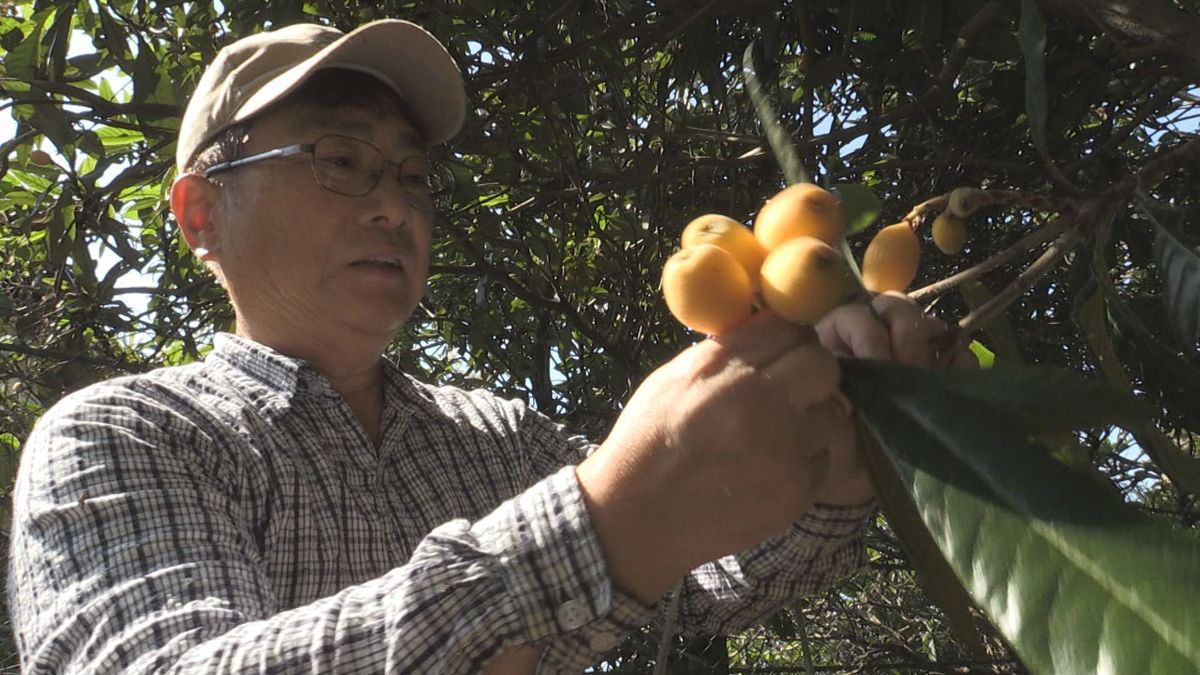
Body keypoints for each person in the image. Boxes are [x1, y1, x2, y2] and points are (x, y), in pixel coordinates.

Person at [7, 18, 971, 675]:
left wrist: (837, 463)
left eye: (413, 174)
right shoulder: (125, 436)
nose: (394, 204)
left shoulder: (498, 436)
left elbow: (713, 588)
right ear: (200, 209)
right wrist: (601, 530)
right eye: (339, 159)